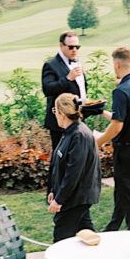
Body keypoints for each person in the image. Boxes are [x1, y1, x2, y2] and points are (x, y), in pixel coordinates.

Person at [97, 47, 130, 232]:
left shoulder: (121, 90)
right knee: (123, 191)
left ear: (117, 64)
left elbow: (118, 126)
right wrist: (101, 112)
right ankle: (113, 228)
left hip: (126, 150)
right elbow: (122, 119)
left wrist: (99, 141)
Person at [47, 94, 101, 241]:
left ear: (62, 114)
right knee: (88, 234)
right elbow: (59, 164)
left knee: (61, 236)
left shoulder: (79, 135)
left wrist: (59, 200)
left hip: (77, 197)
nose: (55, 115)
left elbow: (73, 173)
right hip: (75, 196)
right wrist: (53, 190)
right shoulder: (69, 132)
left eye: (55, 111)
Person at [42, 32, 101, 150]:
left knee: (77, 155)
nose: (74, 50)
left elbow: (81, 87)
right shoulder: (51, 65)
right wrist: (68, 79)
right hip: (60, 121)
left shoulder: (77, 62)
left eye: (77, 47)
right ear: (61, 45)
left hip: (77, 118)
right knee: (61, 157)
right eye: (71, 47)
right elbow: (47, 89)